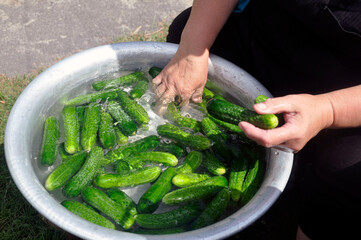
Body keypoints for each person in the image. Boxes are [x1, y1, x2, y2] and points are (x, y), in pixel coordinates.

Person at [152, 0, 361, 239]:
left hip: (351, 97)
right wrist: (192, 50)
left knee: (347, 175)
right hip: (271, 33)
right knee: (184, 30)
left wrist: (329, 110)